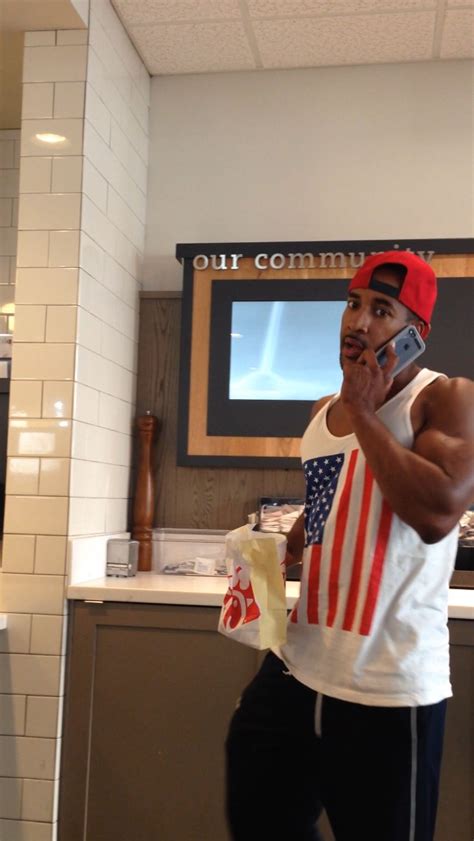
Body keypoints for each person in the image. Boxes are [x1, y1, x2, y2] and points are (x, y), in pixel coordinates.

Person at [225, 250, 474, 841]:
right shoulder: (322, 412)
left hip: (388, 683)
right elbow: (331, 500)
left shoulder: (446, 397)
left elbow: (438, 514)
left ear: (414, 333)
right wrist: (287, 544)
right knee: (258, 807)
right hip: (299, 662)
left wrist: (365, 411)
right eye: (353, 304)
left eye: (382, 310)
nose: (358, 323)